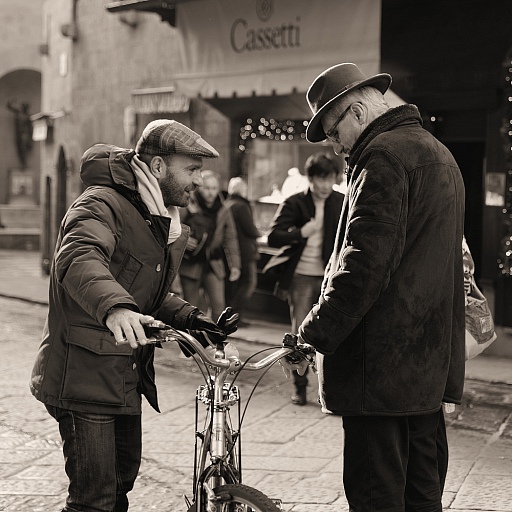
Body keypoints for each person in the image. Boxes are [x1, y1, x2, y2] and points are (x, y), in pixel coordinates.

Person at [29, 119, 238, 512]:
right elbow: (79, 257)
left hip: (123, 374)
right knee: (95, 499)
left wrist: (191, 317)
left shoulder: (155, 213)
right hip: (83, 375)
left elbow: (144, 290)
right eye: (191, 169)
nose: (198, 179)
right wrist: (117, 306)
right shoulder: (101, 203)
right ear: (158, 167)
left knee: (120, 485)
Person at [288, 63, 466, 511]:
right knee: (422, 497)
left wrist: (312, 333)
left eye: (334, 132)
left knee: (377, 497)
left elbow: (362, 267)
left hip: (381, 373)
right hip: (424, 370)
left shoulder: (383, 156)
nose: (336, 146)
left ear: (360, 110)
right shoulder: (438, 152)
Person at [265, 152, 344, 405]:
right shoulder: (295, 202)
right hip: (300, 277)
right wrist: (300, 232)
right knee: (300, 334)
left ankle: (328, 389)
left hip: (331, 279)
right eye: (319, 179)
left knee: (332, 333)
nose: (323, 185)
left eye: (329, 179)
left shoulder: (342, 202)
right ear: (310, 178)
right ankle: (300, 386)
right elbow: (273, 236)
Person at [179, 170, 241, 322]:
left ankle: (215, 340)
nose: (210, 192)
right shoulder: (188, 204)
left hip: (213, 262)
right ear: (199, 187)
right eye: (207, 188)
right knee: (190, 308)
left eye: (214, 188)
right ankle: (192, 341)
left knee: (219, 307)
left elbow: (230, 238)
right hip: (191, 263)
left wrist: (235, 265)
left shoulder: (223, 209)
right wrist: (184, 239)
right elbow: (172, 226)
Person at [224, 177, 261, 327]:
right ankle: (235, 315)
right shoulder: (242, 206)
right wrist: (260, 233)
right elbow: (250, 229)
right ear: (242, 190)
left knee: (236, 285)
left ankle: (230, 315)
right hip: (245, 251)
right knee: (249, 283)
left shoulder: (227, 204)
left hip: (233, 252)